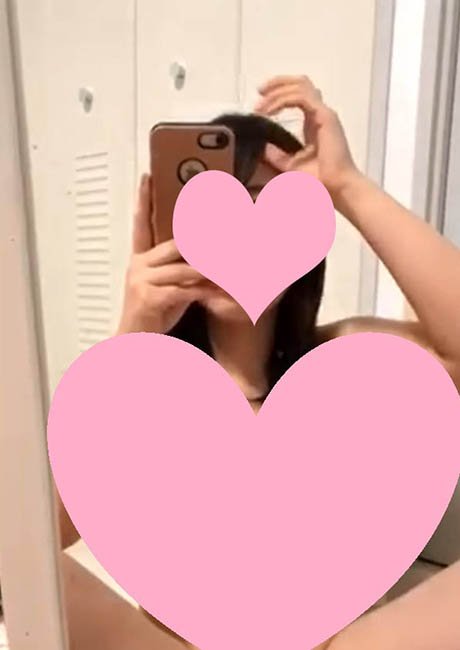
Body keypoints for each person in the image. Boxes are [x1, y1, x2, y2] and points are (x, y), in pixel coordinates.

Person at [58, 74, 460, 649]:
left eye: (262, 208)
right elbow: (31, 544)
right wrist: (133, 334)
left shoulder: (350, 367)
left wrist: (347, 186)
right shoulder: (144, 393)